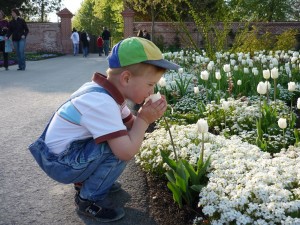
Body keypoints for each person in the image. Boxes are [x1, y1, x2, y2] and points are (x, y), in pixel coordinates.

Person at [28, 37, 179, 222]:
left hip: (65, 155)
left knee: (119, 134)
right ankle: (88, 199)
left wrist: (146, 116)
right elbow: (125, 152)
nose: (152, 90)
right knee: (116, 147)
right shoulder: (102, 102)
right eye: (150, 84)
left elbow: (130, 123)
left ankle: (88, 180)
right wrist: (144, 120)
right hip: (61, 164)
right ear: (126, 78)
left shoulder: (106, 92)